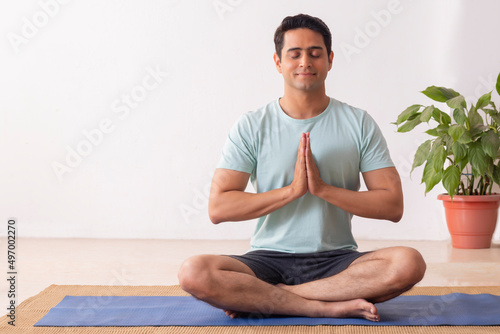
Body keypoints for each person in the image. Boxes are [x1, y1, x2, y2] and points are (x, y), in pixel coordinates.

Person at [178, 14, 426, 322]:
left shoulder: (358, 122)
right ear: (278, 62)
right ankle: (323, 305)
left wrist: (322, 190)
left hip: (338, 259)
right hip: (265, 260)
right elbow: (219, 207)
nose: (305, 61)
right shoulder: (253, 125)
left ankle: (274, 298)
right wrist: (292, 192)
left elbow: (392, 205)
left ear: (330, 59)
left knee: (408, 263)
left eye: (315, 53)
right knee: (194, 271)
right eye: (294, 54)